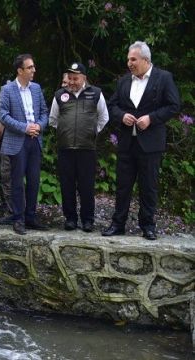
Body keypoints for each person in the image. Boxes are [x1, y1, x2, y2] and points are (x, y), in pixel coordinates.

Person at [102, 41, 180, 240]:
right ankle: (118, 224)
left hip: (151, 143)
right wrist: (122, 116)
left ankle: (148, 226)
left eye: (133, 59)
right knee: (122, 185)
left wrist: (151, 118)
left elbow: (173, 105)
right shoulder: (124, 81)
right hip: (127, 142)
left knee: (149, 186)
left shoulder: (163, 78)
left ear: (145, 60)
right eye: (128, 59)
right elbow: (112, 106)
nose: (129, 63)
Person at [49, 62, 109, 232]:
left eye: (76, 78)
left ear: (84, 78)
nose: (72, 82)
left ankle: (88, 220)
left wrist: (92, 131)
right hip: (65, 148)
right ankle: (70, 219)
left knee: (87, 185)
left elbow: (104, 117)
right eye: (70, 78)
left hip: (87, 148)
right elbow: (53, 120)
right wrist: (64, 132)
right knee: (66, 185)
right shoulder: (60, 95)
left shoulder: (95, 93)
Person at [0, 54, 49, 235]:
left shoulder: (36, 88)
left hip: (35, 140)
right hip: (17, 141)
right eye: (30, 68)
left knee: (34, 181)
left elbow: (44, 112)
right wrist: (25, 128)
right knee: (17, 182)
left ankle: (31, 217)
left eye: (33, 67)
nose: (34, 70)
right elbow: (3, 116)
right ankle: (18, 218)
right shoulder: (7, 90)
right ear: (20, 71)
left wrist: (39, 126)